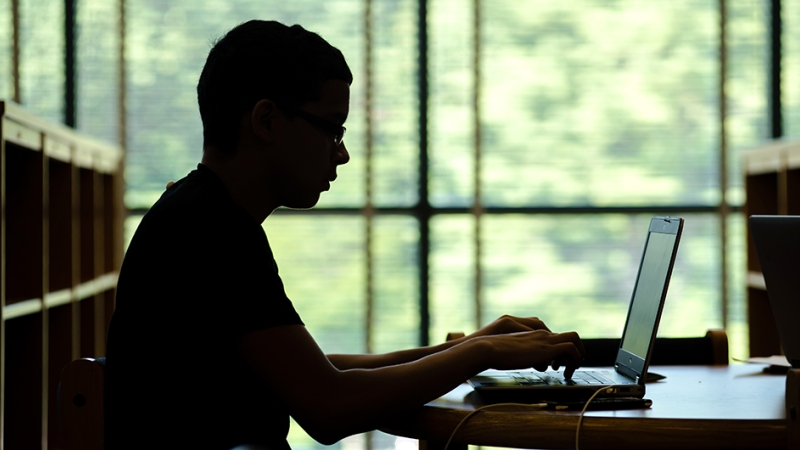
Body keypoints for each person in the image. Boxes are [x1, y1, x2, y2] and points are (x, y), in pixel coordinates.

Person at [105, 19, 584, 450]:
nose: (343, 154)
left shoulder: (199, 212)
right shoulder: (213, 231)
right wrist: (482, 352)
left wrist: (469, 347)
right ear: (266, 121)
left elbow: (316, 372)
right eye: (332, 130)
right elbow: (328, 407)